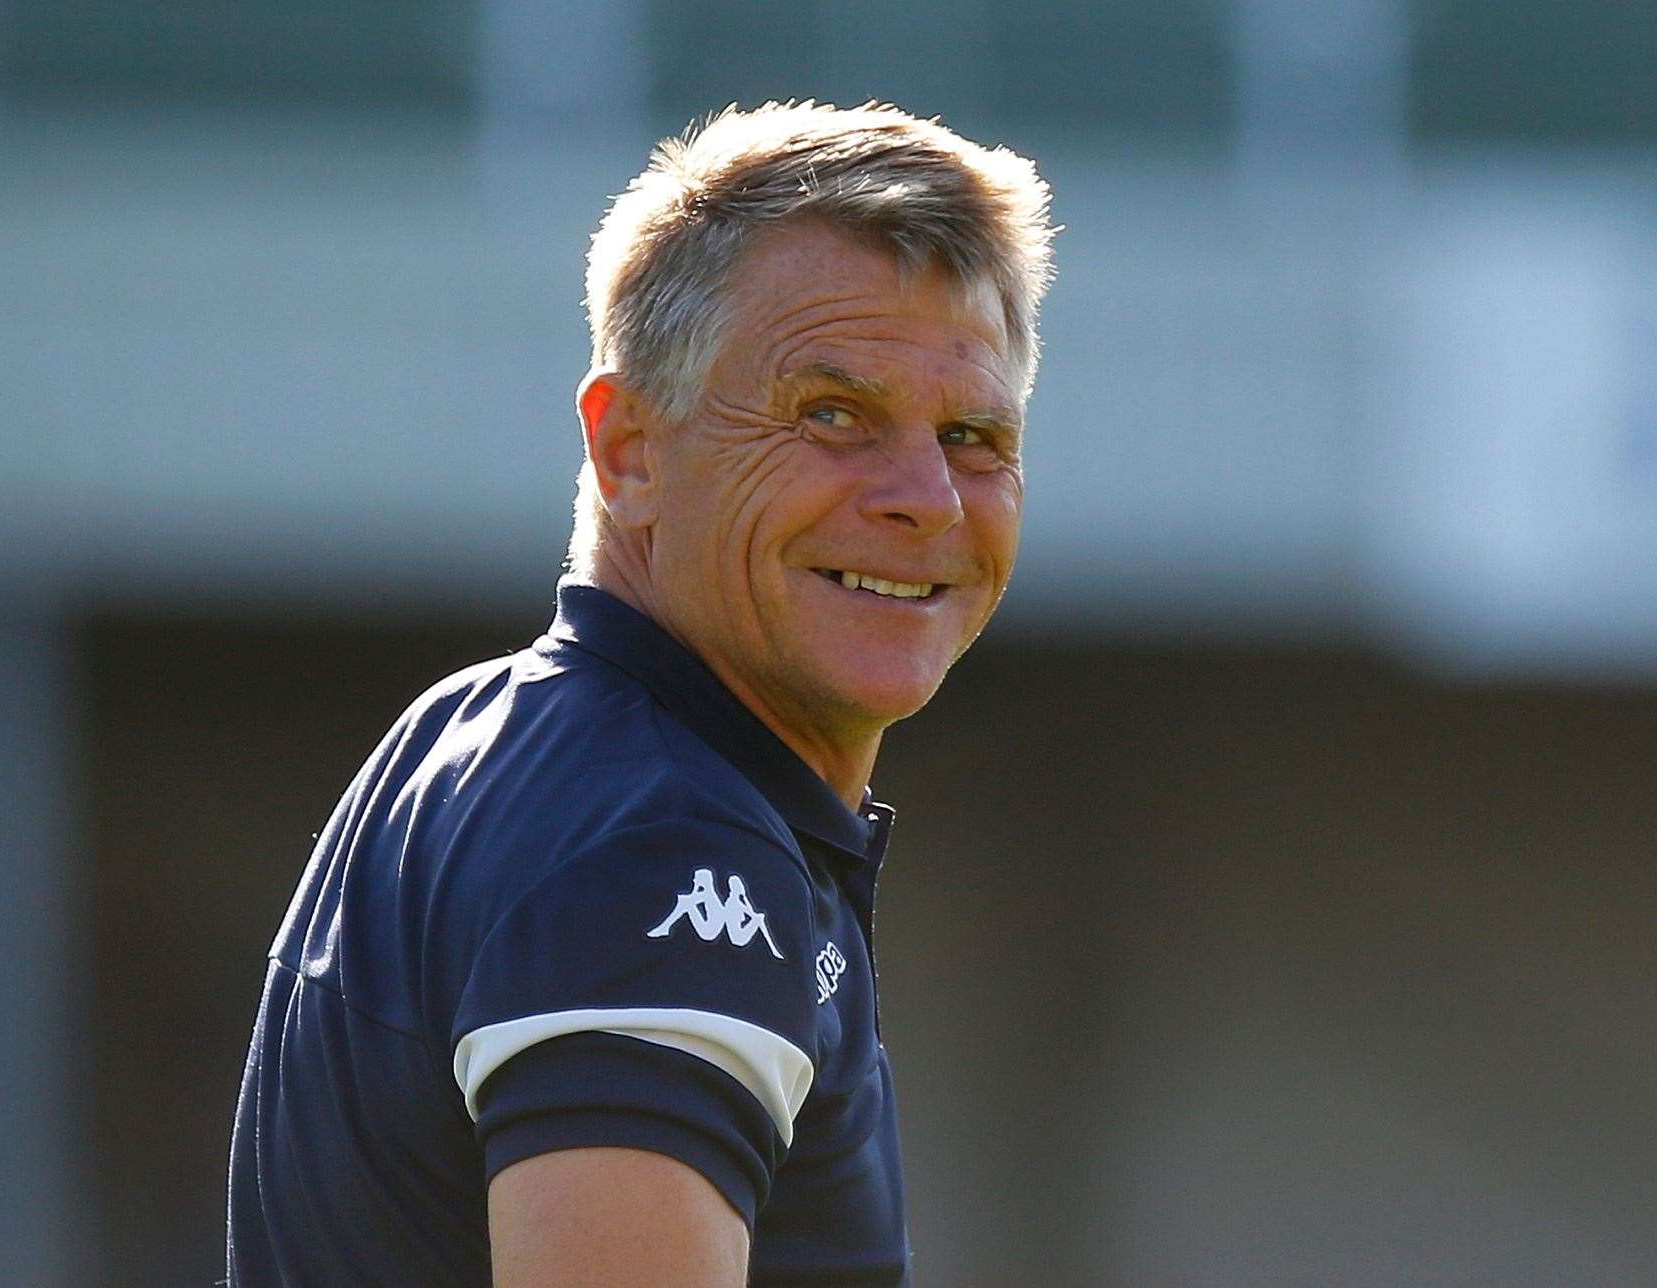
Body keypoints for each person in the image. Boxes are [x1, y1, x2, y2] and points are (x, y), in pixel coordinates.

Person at [226, 100, 1055, 1286]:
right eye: (832, 414)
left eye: (974, 435)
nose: (925, 496)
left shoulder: (488, 742)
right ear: (629, 452)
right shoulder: (665, 844)